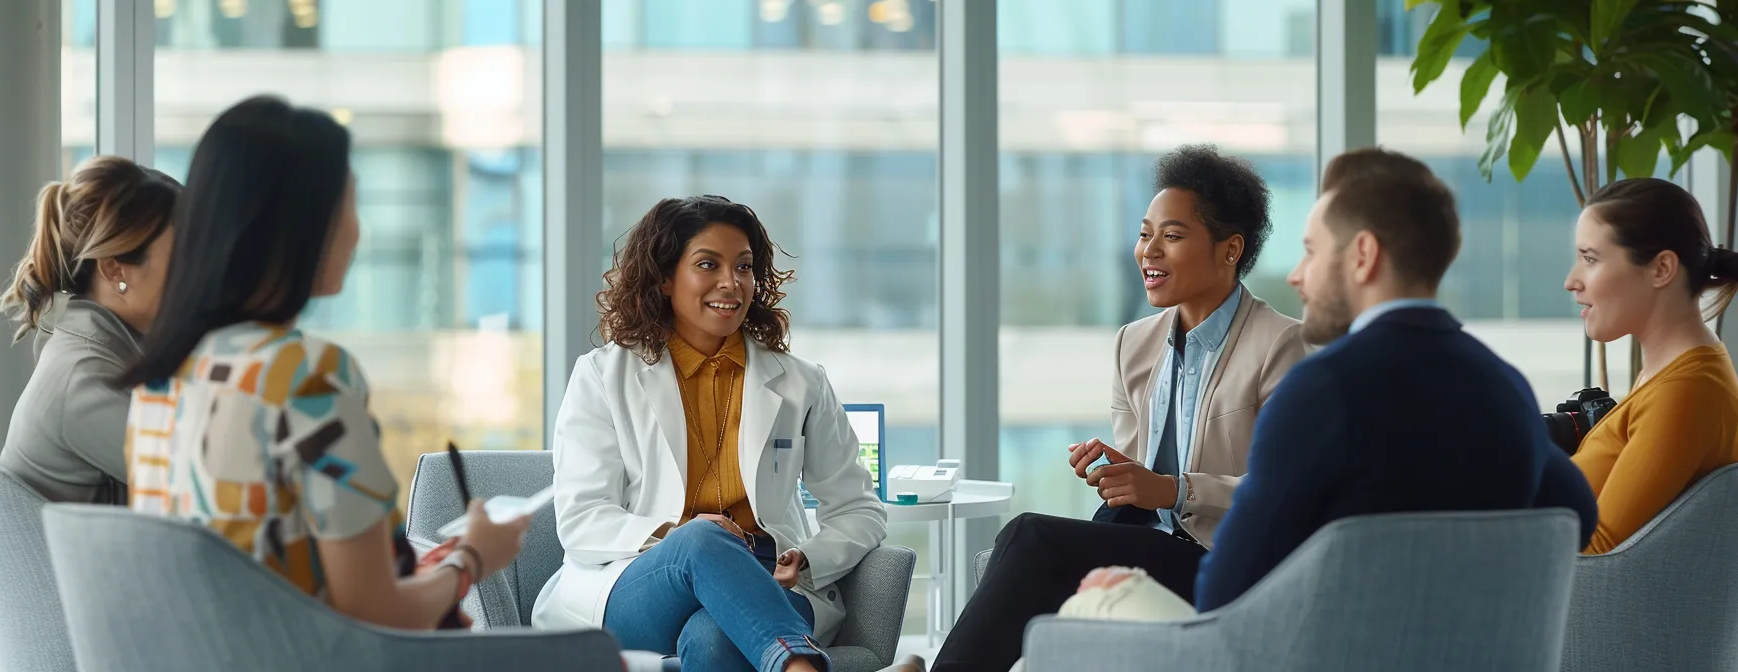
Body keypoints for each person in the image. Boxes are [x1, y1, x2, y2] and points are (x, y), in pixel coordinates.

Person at [116, 95, 530, 630]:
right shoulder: (306, 377)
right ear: (303, 225)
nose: (357, 231)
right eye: (348, 204)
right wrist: (471, 557)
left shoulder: (158, 382)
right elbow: (375, 614)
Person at [931, 145, 1309, 672]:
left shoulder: (1282, 345)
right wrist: (1116, 471)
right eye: (1144, 233)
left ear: (1230, 249)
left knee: (1029, 537)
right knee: (1023, 548)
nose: (1148, 251)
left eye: (1172, 236)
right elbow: (1137, 481)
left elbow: (1288, 495)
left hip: (1223, 561)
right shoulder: (1135, 343)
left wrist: (1175, 489)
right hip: (1145, 544)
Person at [1191, 147, 1598, 611]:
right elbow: (1576, 517)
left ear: (1363, 255)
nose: (1296, 276)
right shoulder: (1506, 387)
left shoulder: (1319, 391)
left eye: (1310, 251)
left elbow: (1224, 595)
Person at [534, 195, 888, 672]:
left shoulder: (801, 382)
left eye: (744, 267)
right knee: (702, 541)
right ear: (663, 277)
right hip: (643, 583)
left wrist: (806, 557)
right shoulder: (602, 376)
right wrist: (677, 534)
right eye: (708, 264)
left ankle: (788, 661)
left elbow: (858, 508)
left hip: (768, 578)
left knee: (717, 638)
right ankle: (799, 666)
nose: (732, 283)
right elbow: (581, 518)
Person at [1564, 178, 1738, 554]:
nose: (1571, 281)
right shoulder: (1669, 375)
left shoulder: (1688, 390)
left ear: (1662, 269)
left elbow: (1597, 554)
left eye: (1590, 259)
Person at [0, 156, 179, 504]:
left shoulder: (105, 355)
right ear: (116, 271)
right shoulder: (84, 381)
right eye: (183, 257)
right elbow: (205, 487)